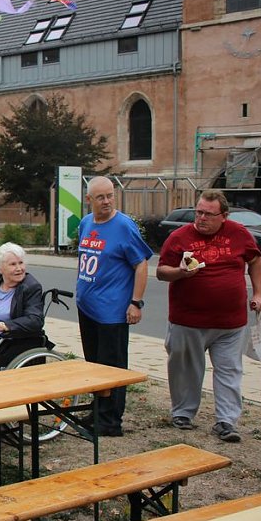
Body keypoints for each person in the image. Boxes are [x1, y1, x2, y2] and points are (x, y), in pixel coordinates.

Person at [157, 189, 261, 443]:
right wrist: (180, 272)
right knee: (186, 369)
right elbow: (161, 272)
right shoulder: (179, 237)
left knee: (229, 370)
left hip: (230, 323)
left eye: (208, 214)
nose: (201, 218)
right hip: (188, 321)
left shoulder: (239, 233)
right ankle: (183, 413)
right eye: (199, 212)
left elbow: (255, 260)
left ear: (224, 216)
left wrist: (259, 293)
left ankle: (226, 421)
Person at [76, 176, 152, 437]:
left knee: (112, 367)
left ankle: (110, 421)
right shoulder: (86, 223)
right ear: (89, 200)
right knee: (94, 365)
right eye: (101, 197)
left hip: (112, 312)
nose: (107, 201)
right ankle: (98, 410)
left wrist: (135, 302)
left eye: (110, 195)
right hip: (87, 307)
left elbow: (141, 263)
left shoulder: (123, 226)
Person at [0, 242, 44, 368]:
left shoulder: (31, 287)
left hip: (4, 341)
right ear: (0, 268)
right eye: (13, 264)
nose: (19, 268)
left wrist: (1, 326)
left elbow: (35, 320)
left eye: (21, 263)